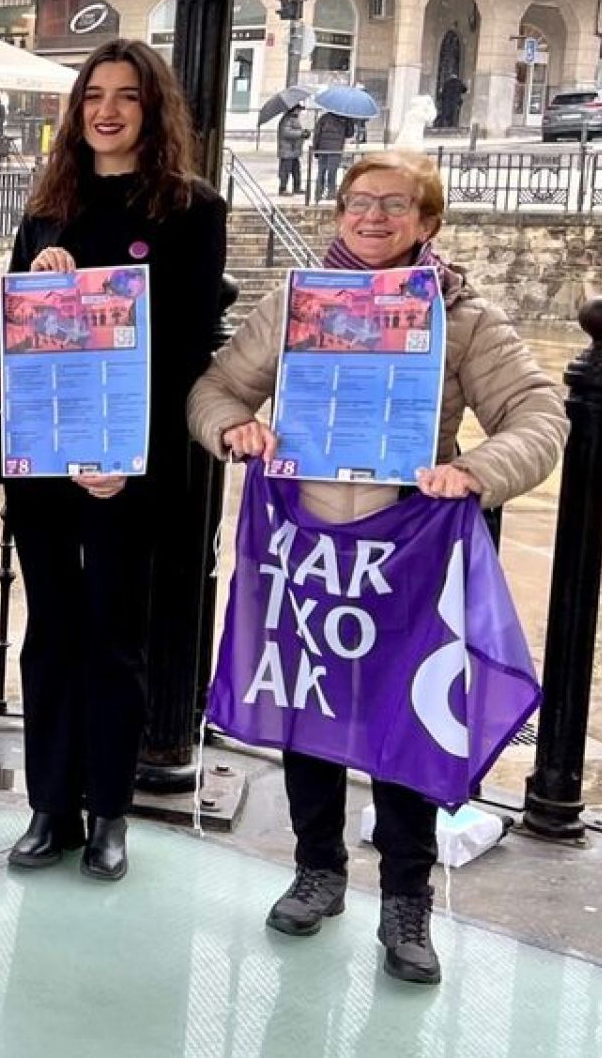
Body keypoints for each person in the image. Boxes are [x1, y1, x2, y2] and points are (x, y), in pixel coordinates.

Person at [188, 148, 565, 986]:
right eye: (360, 201)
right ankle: (317, 868)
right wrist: (234, 431)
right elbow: (216, 390)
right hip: (310, 552)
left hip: (411, 555)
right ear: (337, 213)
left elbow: (538, 412)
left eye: (397, 205)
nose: (373, 217)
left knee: (407, 732)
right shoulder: (297, 303)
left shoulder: (462, 315)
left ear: (428, 223)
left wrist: (476, 471)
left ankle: (406, 901)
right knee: (309, 716)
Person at [0, 38, 227, 883]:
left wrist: (130, 456)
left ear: (152, 109)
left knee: (116, 639)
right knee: (50, 634)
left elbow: (191, 346)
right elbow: (16, 329)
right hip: (47, 460)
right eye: (95, 94)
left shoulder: (191, 209)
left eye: (126, 96)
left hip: (129, 466)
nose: (107, 110)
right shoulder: (48, 206)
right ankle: (49, 805)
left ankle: (110, 811)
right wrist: (41, 277)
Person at [312, 108, 348, 199]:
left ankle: (318, 193)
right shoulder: (343, 119)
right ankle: (331, 193)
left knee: (321, 171)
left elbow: (316, 134)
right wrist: (349, 121)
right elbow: (349, 133)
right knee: (332, 172)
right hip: (336, 150)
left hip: (322, 149)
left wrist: (315, 149)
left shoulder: (323, 118)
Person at [276, 106, 305, 196]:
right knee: (285, 170)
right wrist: (301, 133)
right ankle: (283, 188)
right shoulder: (287, 119)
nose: (300, 111)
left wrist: (304, 133)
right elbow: (286, 132)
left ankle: (297, 187)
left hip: (293, 150)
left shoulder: (293, 119)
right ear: (294, 109)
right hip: (287, 151)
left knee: (296, 170)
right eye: (299, 109)